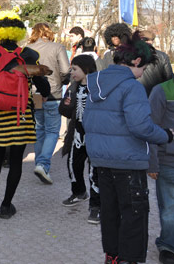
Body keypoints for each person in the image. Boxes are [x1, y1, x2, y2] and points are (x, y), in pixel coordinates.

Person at [83, 33, 174, 264]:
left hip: (102, 162)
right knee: (134, 217)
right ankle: (129, 259)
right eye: (144, 67)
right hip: (128, 163)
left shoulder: (96, 82)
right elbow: (141, 127)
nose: (144, 73)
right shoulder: (131, 87)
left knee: (110, 215)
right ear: (136, 61)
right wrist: (165, 135)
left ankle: (112, 257)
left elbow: (87, 122)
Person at [0, 9, 50, 219]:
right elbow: (43, 85)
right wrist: (45, 95)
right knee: (15, 161)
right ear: (19, 32)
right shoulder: (28, 56)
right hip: (20, 115)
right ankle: (6, 206)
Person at [59, 55, 100, 224]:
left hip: (94, 135)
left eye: (75, 69)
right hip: (77, 133)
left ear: (86, 69)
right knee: (73, 163)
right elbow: (66, 111)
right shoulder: (72, 88)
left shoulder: (98, 88)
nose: (72, 72)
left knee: (94, 172)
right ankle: (78, 192)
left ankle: (96, 206)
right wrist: (65, 105)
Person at [28, 23, 70, 184]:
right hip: (53, 93)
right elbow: (66, 70)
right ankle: (43, 164)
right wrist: (61, 80)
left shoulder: (28, 49)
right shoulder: (57, 47)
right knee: (52, 131)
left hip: (34, 94)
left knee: (39, 130)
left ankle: (40, 164)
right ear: (49, 33)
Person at [148, 57, 174, 264]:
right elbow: (151, 127)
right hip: (169, 161)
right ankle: (169, 247)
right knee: (170, 208)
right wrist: (152, 163)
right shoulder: (161, 91)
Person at [137, 29, 173, 96]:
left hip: (138, 95)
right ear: (152, 41)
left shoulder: (132, 55)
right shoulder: (163, 56)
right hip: (158, 95)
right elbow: (169, 78)